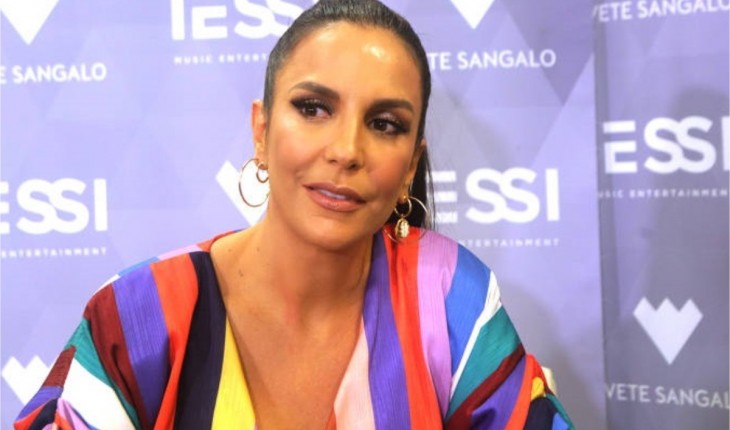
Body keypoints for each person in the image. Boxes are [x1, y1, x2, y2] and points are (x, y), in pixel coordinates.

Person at [15, 1, 573, 429]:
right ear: (261, 131)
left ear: (411, 166)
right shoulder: (141, 314)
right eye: (313, 108)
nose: (346, 150)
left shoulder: (450, 297)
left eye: (385, 124)